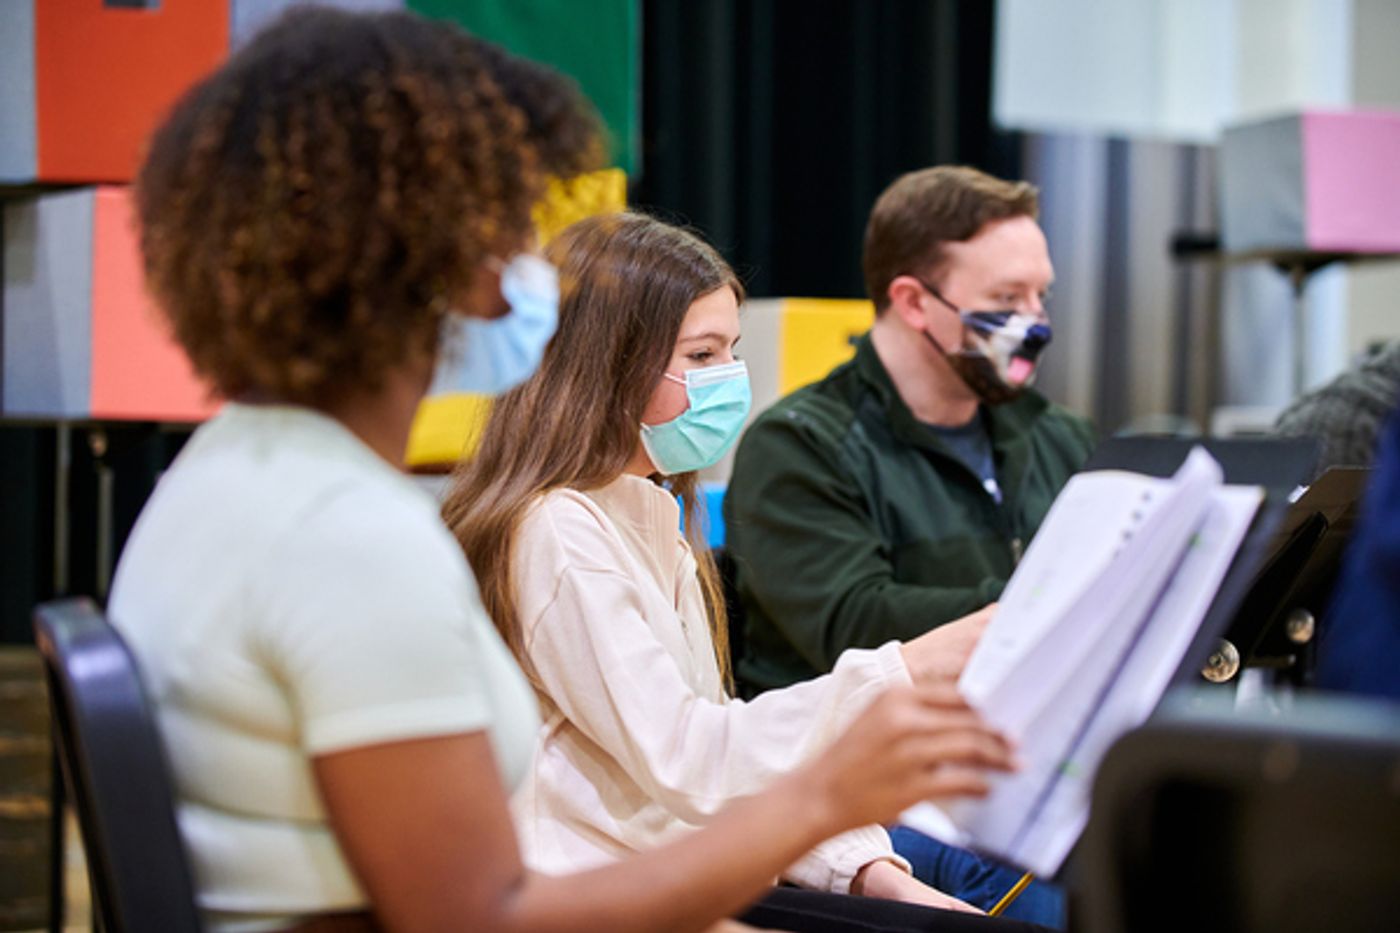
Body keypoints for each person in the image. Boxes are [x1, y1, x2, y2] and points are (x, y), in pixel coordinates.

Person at [106, 9, 1018, 933]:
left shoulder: (230, 474)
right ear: (418, 258)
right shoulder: (350, 536)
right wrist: (825, 793)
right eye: (507, 228)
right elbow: (482, 915)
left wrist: (845, 843)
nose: (528, 273)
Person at [443, 212, 1047, 927]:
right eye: (701, 356)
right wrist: (905, 670)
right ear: (606, 365)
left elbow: (721, 751)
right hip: (612, 891)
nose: (728, 379)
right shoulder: (559, 531)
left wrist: (865, 868)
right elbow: (691, 761)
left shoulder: (649, 516)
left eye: (730, 351)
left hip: (690, 869)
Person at [723, 166, 1096, 924]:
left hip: (1017, 764)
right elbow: (855, 621)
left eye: (1040, 296)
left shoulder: (1057, 434)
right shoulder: (800, 445)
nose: (1034, 320)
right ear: (912, 300)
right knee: (1069, 862)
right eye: (1004, 300)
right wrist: (1052, 606)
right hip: (861, 789)